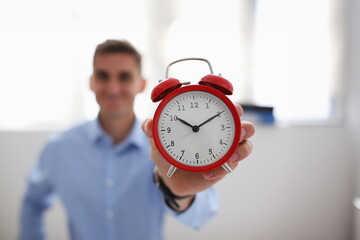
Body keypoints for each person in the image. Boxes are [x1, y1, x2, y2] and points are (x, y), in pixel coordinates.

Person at [19, 40, 255, 240]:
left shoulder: (167, 149)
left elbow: (202, 215)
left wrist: (180, 192)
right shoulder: (60, 148)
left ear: (141, 84)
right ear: (91, 82)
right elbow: (32, 201)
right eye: (103, 76)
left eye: (124, 77)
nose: (113, 88)